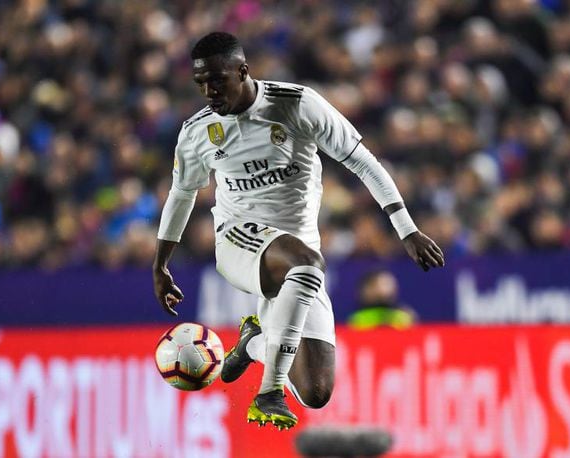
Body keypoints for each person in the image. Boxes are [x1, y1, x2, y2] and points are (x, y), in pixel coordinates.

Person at [152, 32, 445, 430]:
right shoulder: (197, 132)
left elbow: (363, 162)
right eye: (200, 82)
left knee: (316, 391)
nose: (209, 91)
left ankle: (253, 345)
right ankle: (269, 392)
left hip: (298, 254)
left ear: (243, 71)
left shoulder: (297, 104)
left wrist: (406, 229)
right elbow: (182, 194)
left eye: (217, 80)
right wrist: (161, 264)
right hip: (238, 240)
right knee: (307, 263)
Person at [348, 270, 417, 330]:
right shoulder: (358, 319)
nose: (389, 288)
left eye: (389, 284)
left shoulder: (403, 317)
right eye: (384, 284)